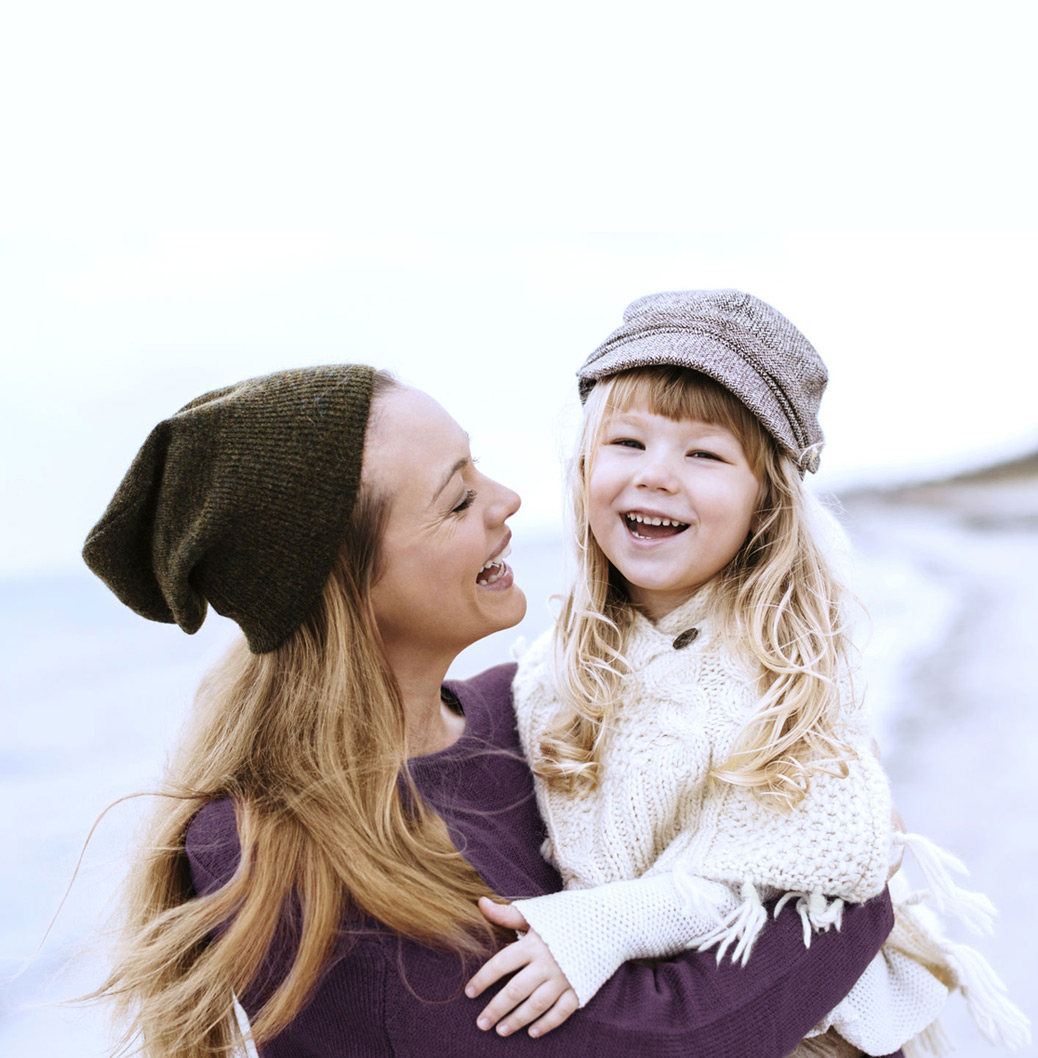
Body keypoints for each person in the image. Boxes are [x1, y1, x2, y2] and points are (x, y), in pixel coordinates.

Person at [82, 363, 899, 1058]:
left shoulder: (524, 709)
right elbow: (643, 1041)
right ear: (346, 584)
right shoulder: (275, 851)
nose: (507, 500)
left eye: (479, 471)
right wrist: (858, 893)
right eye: (458, 499)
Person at [470, 291, 1030, 1057]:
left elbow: (812, 858)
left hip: (807, 1027)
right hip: (652, 1014)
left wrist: (600, 926)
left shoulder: (782, 669)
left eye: (703, 454)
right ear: (584, 466)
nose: (656, 476)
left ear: (766, 499)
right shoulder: (554, 662)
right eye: (627, 442)